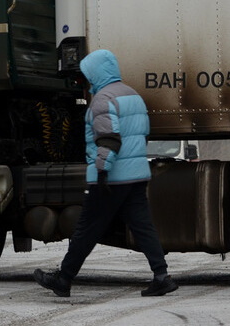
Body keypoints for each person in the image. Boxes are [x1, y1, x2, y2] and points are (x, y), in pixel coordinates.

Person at [34, 49, 179, 297]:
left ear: (96, 74)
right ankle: (161, 276)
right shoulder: (133, 95)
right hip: (136, 175)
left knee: (86, 228)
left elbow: (109, 139)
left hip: (113, 176)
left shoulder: (103, 99)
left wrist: (102, 171)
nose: (84, 80)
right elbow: (142, 135)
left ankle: (64, 278)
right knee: (142, 226)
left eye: (86, 75)